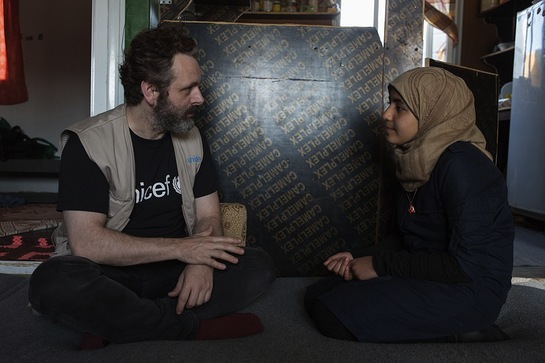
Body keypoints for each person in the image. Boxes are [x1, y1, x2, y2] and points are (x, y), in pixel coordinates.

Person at [29, 24, 276, 347]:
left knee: (257, 264)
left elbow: (208, 217)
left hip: (173, 272)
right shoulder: (87, 143)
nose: (199, 98)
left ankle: (120, 323)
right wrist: (185, 249)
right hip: (110, 272)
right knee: (52, 282)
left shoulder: (192, 138)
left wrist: (199, 262)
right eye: (188, 89)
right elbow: (87, 243)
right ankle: (186, 326)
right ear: (151, 92)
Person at [305, 67, 514, 343]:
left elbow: (466, 266)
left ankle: (464, 331)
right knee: (317, 293)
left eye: (399, 107)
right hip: (433, 275)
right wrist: (357, 256)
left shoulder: (463, 165)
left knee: (332, 313)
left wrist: (379, 265)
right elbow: (411, 240)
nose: (386, 114)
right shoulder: (417, 159)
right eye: (389, 102)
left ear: (432, 113)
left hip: (470, 289)